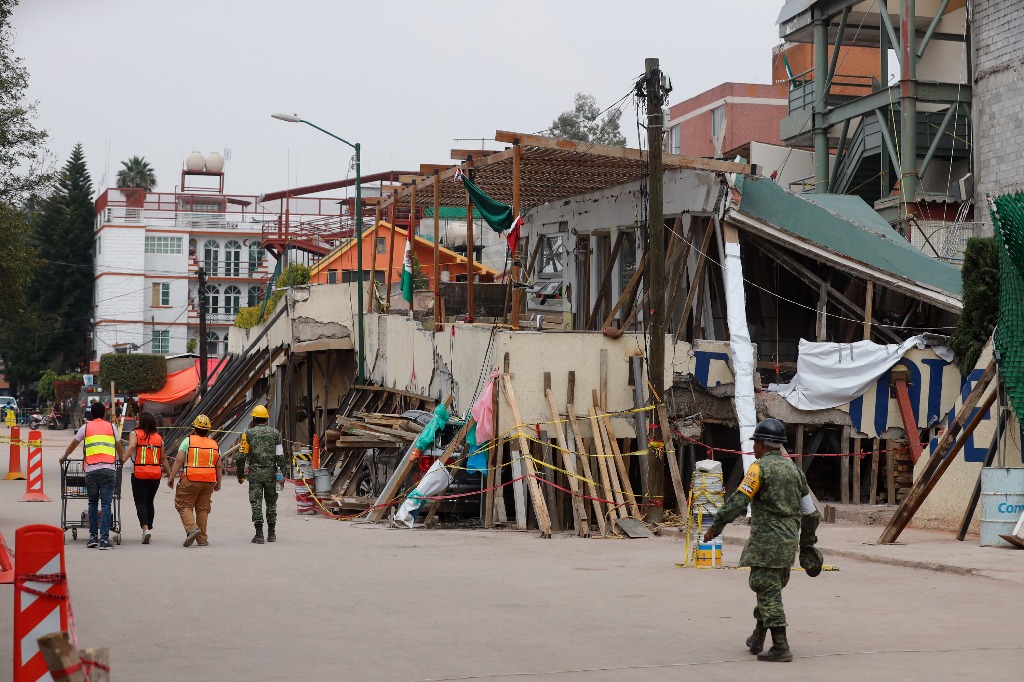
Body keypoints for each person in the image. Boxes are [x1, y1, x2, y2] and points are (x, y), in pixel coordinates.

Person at [703, 418, 821, 663]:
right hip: (788, 543)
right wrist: (807, 545)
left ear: (764, 444)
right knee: (769, 589)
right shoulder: (796, 471)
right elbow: (811, 513)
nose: (754, 447)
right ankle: (757, 638)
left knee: (766, 591)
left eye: (755, 442)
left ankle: (780, 646)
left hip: (767, 542)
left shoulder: (759, 468)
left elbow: (738, 501)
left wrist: (716, 525)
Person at [60, 402, 125, 550]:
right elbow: (119, 446)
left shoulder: (86, 428)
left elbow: (73, 444)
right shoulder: (111, 427)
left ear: (91, 414)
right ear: (104, 414)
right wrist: (121, 459)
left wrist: (64, 457)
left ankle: (93, 537)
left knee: (92, 503)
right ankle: (104, 540)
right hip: (109, 469)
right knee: (107, 504)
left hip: (91, 470)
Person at [167, 414, 222, 547]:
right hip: (209, 480)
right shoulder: (214, 444)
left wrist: (171, 477)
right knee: (203, 509)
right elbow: (218, 465)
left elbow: (179, 460)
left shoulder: (188, 441)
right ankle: (202, 539)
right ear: (208, 430)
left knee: (183, 504)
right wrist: (218, 483)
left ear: (194, 428)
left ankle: (192, 529)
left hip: (190, 478)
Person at [236, 405, 285, 544]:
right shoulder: (276, 434)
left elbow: (241, 457)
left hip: (255, 476)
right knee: (271, 503)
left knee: (256, 503)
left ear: (254, 418)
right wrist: (283, 475)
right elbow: (280, 455)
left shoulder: (248, 434)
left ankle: (259, 534)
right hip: (272, 475)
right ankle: (272, 534)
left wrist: (240, 475)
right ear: (266, 419)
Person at [121, 412, 170, 544]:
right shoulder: (159, 438)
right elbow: (163, 458)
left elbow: (131, 447)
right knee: (149, 501)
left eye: (138, 420)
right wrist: (170, 475)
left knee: (140, 502)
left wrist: (121, 461)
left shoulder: (135, 434)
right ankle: (149, 527)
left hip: (139, 473)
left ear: (141, 422)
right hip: (155, 474)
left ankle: (145, 528)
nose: (136, 422)